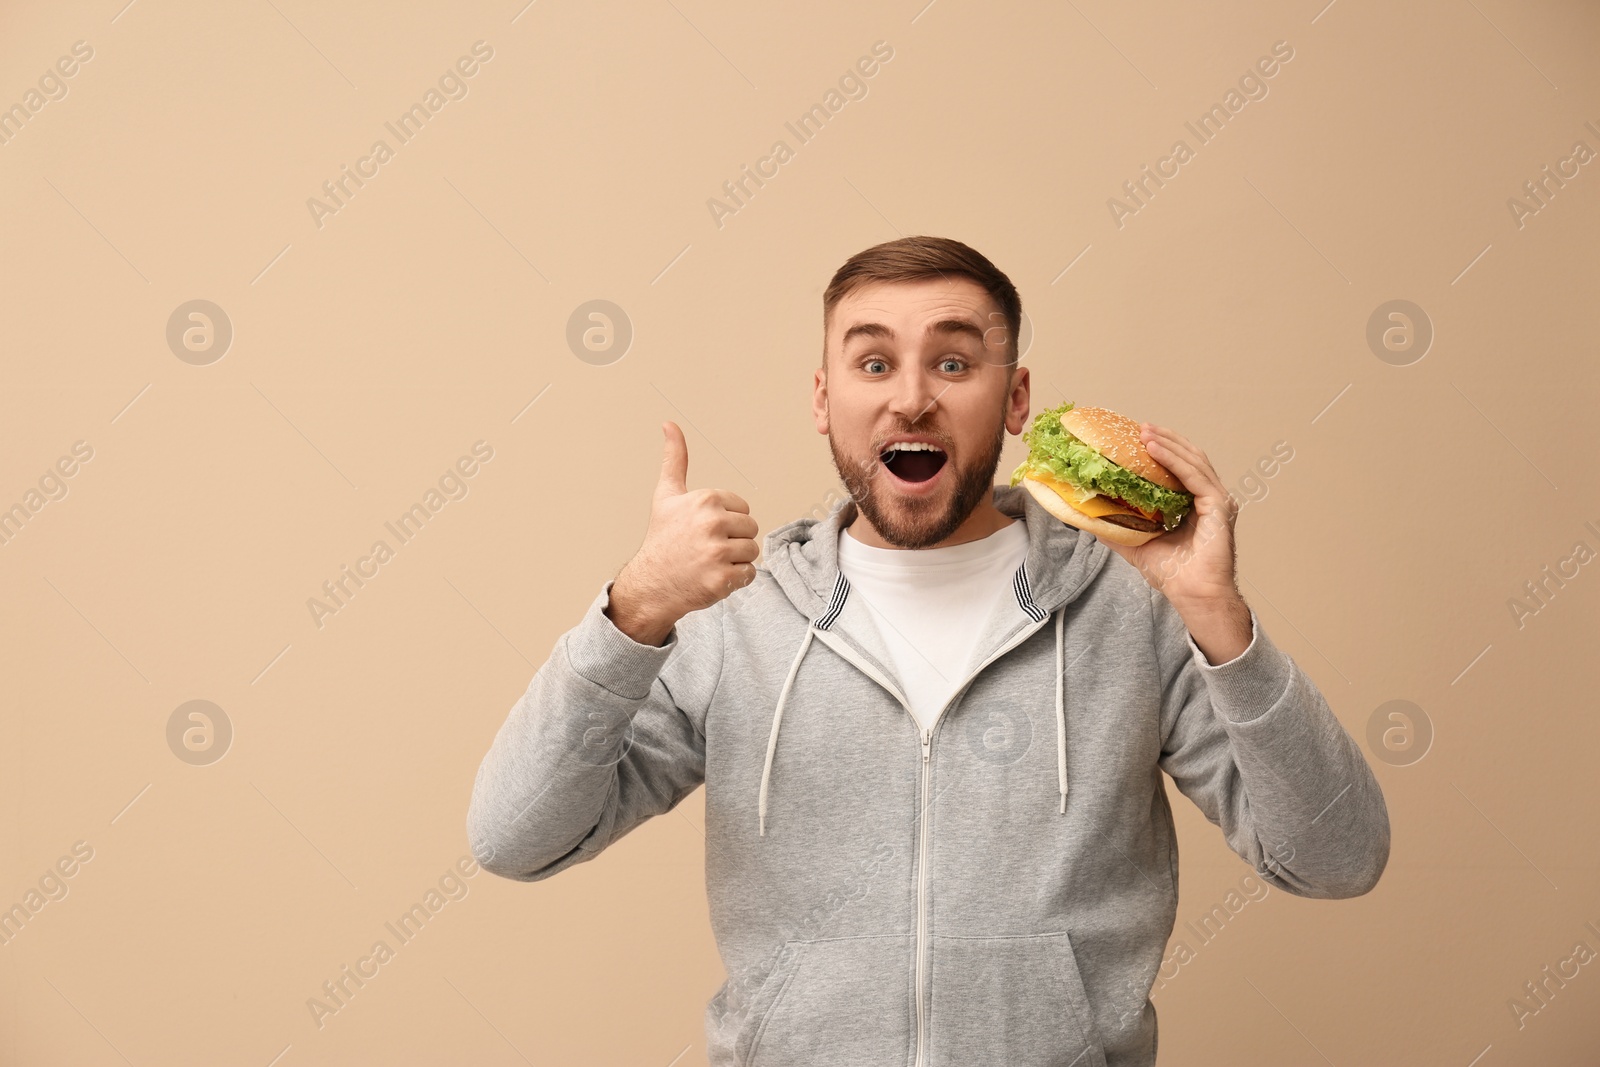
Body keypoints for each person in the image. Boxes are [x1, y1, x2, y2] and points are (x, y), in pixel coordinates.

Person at [466, 235, 1391, 1067]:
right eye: (874, 361)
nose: (912, 396)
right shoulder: (731, 617)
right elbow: (514, 837)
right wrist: (632, 611)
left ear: (1017, 397)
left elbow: (1337, 857)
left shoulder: (1133, 609)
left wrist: (1218, 614)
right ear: (824, 401)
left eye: (954, 360)